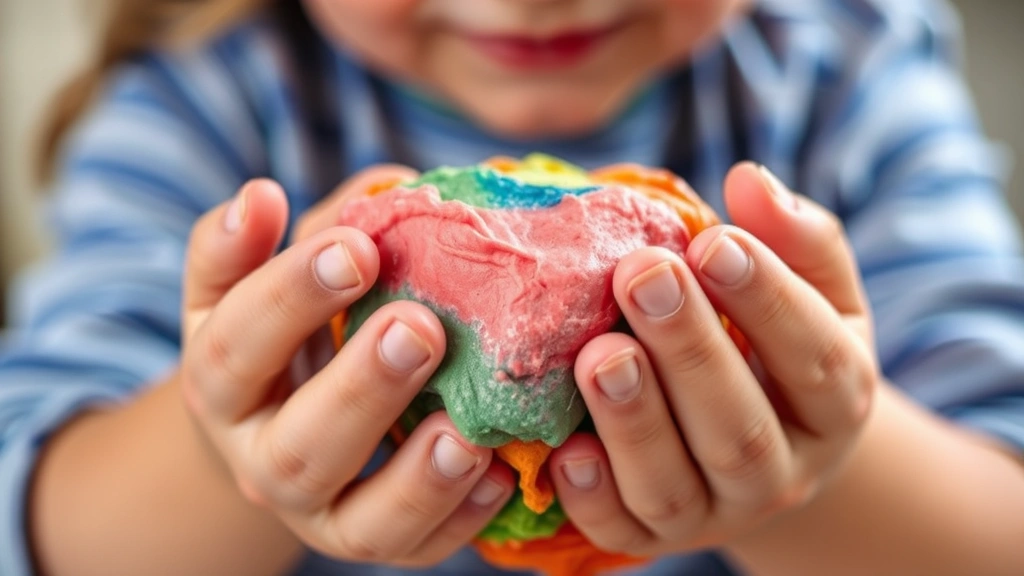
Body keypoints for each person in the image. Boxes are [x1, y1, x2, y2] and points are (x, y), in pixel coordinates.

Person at [2, 0, 1023, 574]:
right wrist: (220, 435)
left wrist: (817, 469)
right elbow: (39, 519)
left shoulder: (849, 75)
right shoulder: (200, 99)